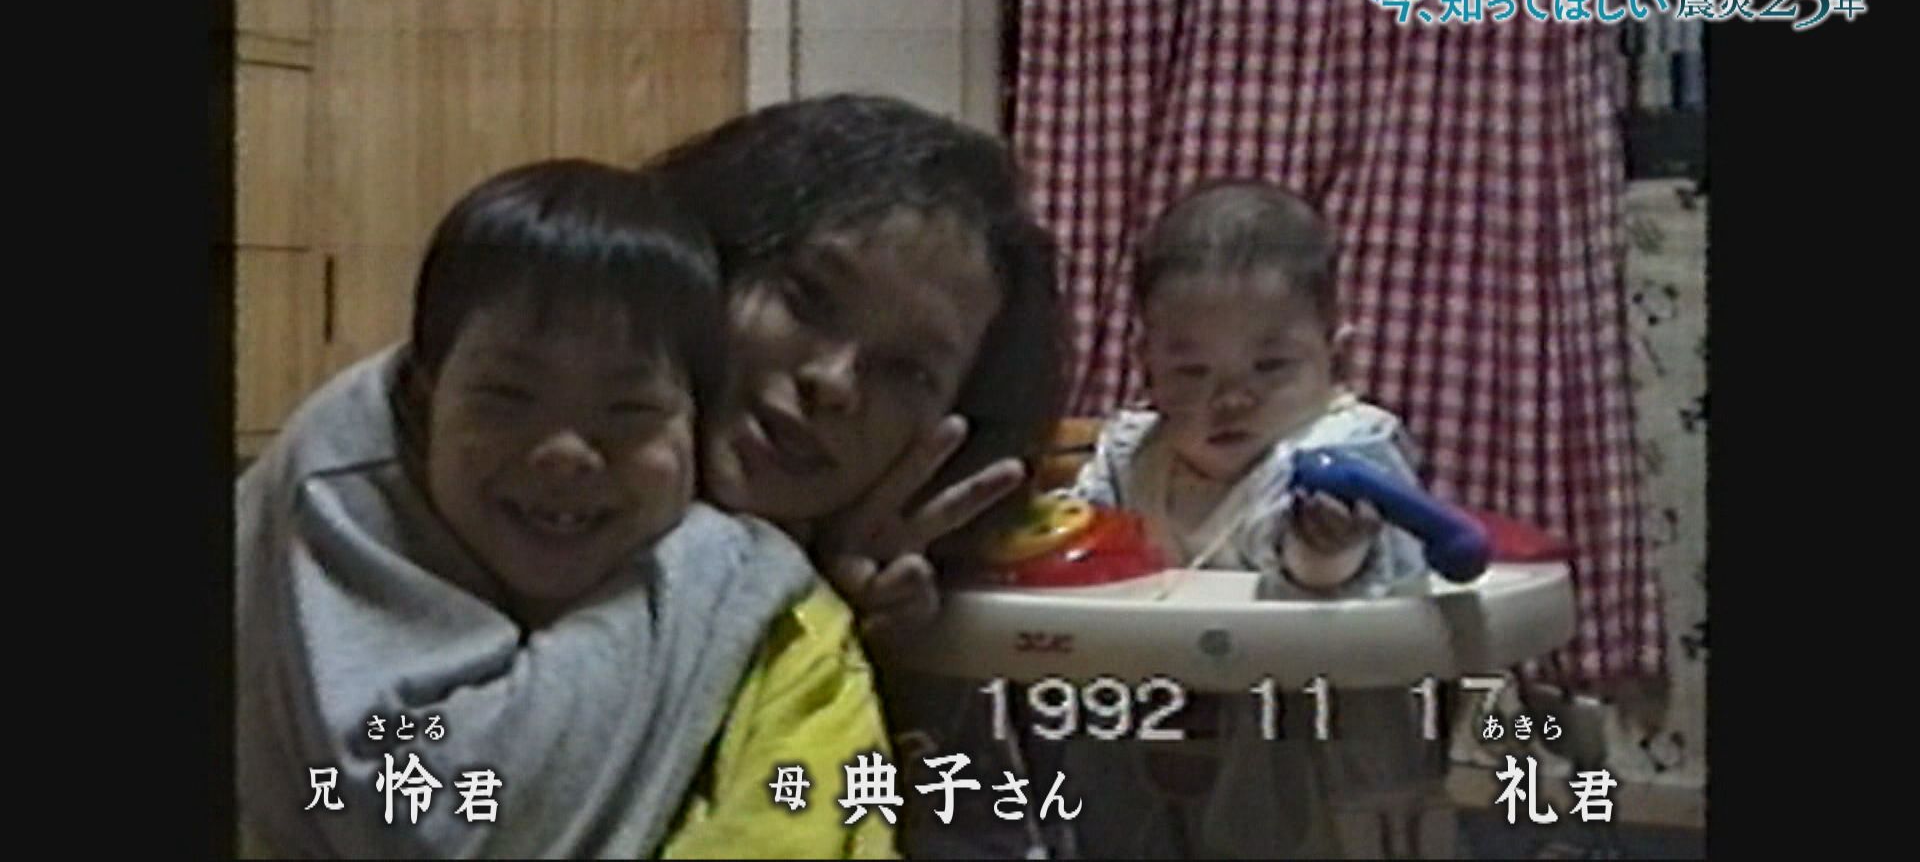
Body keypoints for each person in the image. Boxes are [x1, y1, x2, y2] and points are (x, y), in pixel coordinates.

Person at [235, 160, 894, 858]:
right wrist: (735, 561)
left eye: (629, 409)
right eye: (507, 397)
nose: (564, 453)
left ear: (694, 422)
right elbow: (427, 818)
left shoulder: (797, 642)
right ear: (428, 399)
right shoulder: (340, 485)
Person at [650, 94, 1075, 857]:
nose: (835, 381)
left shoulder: (919, 634)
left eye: (907, 370)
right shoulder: (513, 512)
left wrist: (889, 664)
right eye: (808, 300)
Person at [1061, 180, 1441, 858]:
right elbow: (1082, 548)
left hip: (1322, 766)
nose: (1231, 398)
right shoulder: (1131, 457)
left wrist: (1325, 547)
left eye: (1269, 366)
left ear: (1337, 360)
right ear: (1147, 367)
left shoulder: (1344, 453)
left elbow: (1322, 572)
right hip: (1160, 748)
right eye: (1191, 371)